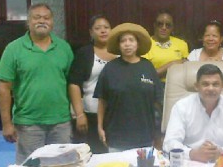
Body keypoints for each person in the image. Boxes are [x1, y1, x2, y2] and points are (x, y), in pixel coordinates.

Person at [0, 3, 74, 164]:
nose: (42, 21)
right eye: (36, 17)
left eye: (46, 18)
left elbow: (71, 85)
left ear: (52, 22)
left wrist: (77, 115)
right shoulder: (14, 49)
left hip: (61, 122)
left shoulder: (64, 48)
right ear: (28, 22)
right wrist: (6, 124)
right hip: (28, 124)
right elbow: (3, 89)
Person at [163, 64, 223, 162]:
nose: (211, 88)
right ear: (196, 86)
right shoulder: (181, 107)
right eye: (205, 84)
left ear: (222, 86)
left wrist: (222, 152)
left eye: (215, 84)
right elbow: (169, 143)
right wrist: (191, 153)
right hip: (191, 162)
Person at [94, 23, 163, 152]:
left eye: (131, 40)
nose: (127, 44)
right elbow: (102, 100)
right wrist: (99, 127)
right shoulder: (110, 68)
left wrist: (160, 133)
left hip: (145, 137)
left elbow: (158, 101)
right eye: (123, 41)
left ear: (137, 44)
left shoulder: (148, 67)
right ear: (118, 45)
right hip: (117, 138)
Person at [68, 14, 116, 153]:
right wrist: (79, 114)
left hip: (115, 115)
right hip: (91, 114)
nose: (103, 31)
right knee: (95, 155)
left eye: (106, 27)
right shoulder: (84, 53)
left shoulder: (121, 52)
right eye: (98, 28)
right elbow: (74, 84)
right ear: (91, 32)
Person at [143, 10, 189, 83]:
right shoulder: (145, 44)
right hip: (153, 85)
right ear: (154, 25)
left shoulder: (181, 44)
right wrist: (171, 65)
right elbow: (145, 75)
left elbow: (186, 69)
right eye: (160, 24)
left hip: (178, 85)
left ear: (172, 27)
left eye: (168, 25)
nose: (164, 28)